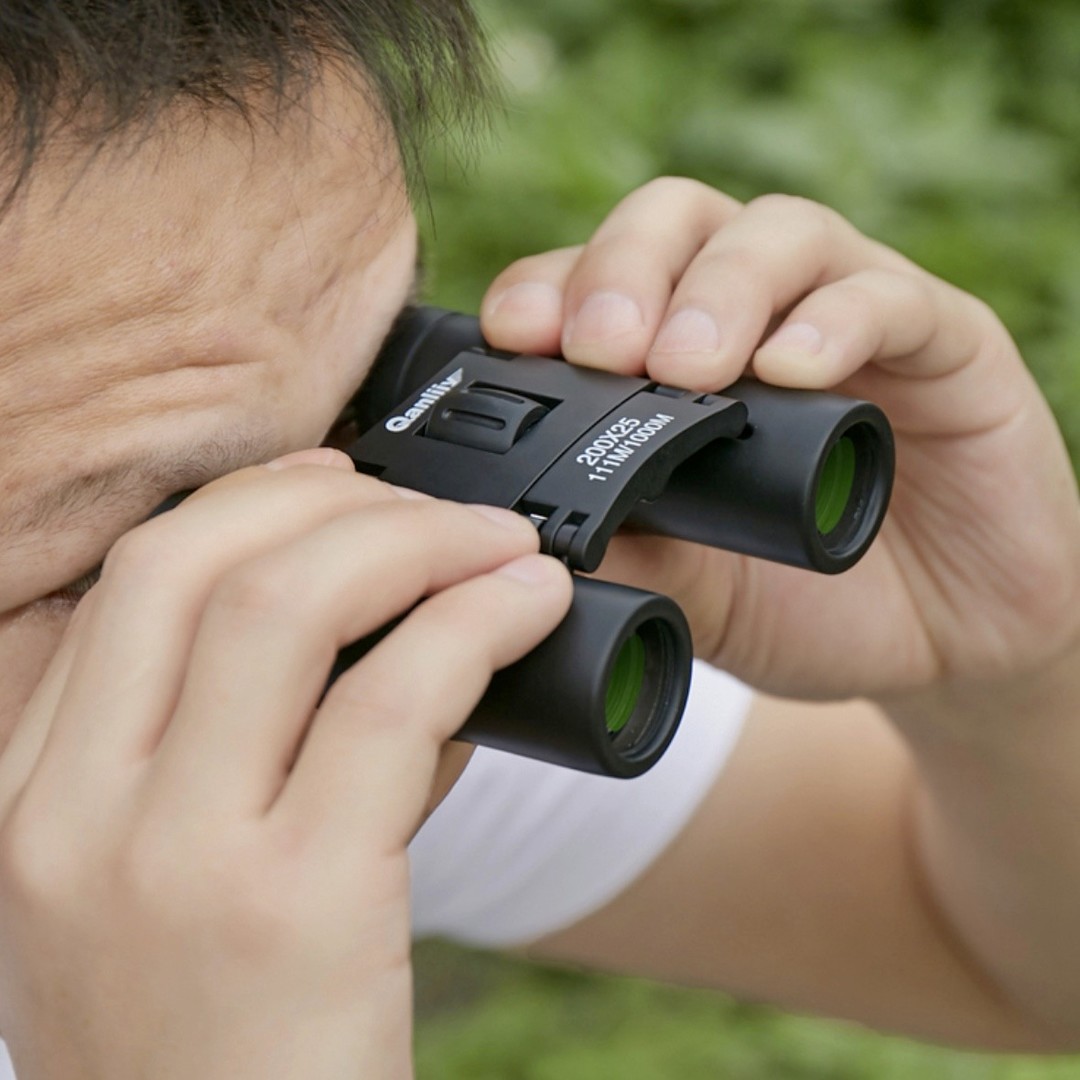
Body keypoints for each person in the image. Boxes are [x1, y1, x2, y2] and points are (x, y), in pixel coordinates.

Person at [0, 2, 1076, 1077]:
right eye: (130, 543)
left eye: (395, 380)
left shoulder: (251, 713)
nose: (341, 570)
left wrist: (1019, 680)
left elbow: (1013, 962)